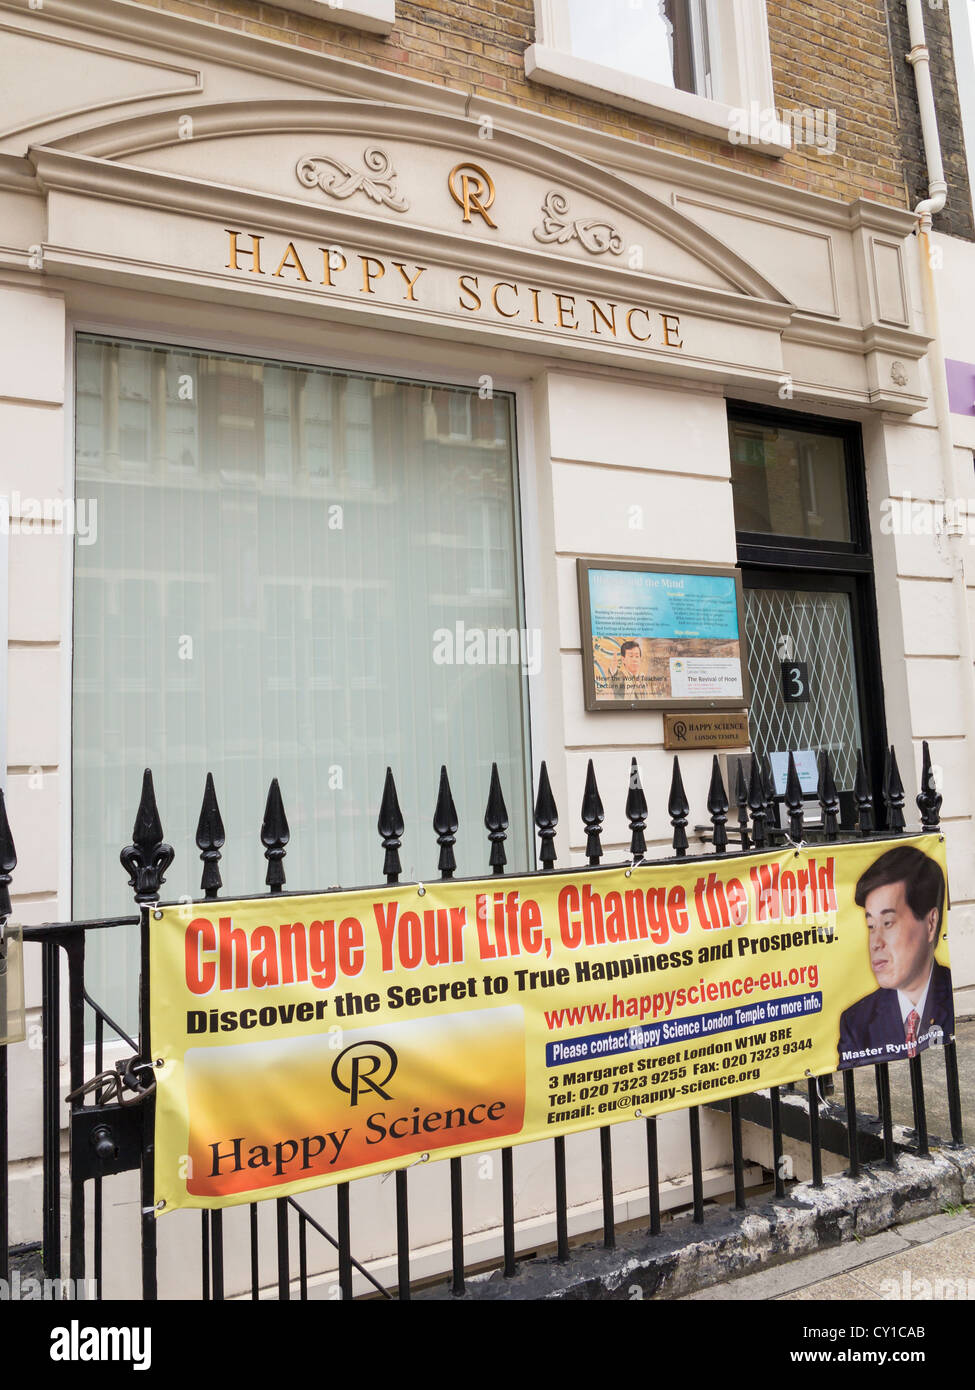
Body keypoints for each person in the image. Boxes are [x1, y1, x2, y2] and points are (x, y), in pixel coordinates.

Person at [837, 845, 953, 1069]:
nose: (875, 942)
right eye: (871, 925)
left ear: (930, 923)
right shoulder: (855, 1021)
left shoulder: (952, 995)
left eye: (888, 923)